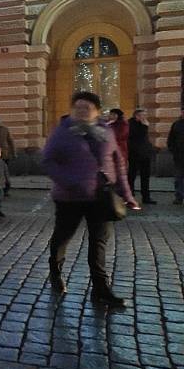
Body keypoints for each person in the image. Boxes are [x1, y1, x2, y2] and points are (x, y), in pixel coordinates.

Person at [43, 91, 138, 306]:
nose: (82, 110)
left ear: (97, 110)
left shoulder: (106, 131)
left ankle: (101, 290)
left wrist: (127, 194)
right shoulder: (62, 132)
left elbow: (118, 163)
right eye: (78, 107)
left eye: (87, 107)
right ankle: (55, 271)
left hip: (101, 196)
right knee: (63, 237)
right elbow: (48, 161)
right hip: (70, 197)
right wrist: (69, 181)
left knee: (99, 243)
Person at [128, 108, 156, 205]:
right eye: (143, 115)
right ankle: (130, 196)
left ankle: (146, 197)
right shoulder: (131, 124)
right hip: (134, 155)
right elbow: (137, 137)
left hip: (144, 155)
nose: (145, 117)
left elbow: (144, 140)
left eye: (145, 115)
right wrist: (145, 127)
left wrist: (150, 149)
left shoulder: (142, 124)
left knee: (145, 177)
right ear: (137, 116)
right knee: (131, 176)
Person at [167, 108, 184, 205]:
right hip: (179, 156)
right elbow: (171, 138)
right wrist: (172, 150)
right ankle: (179, 197)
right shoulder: (176, 124)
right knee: (178, 178)